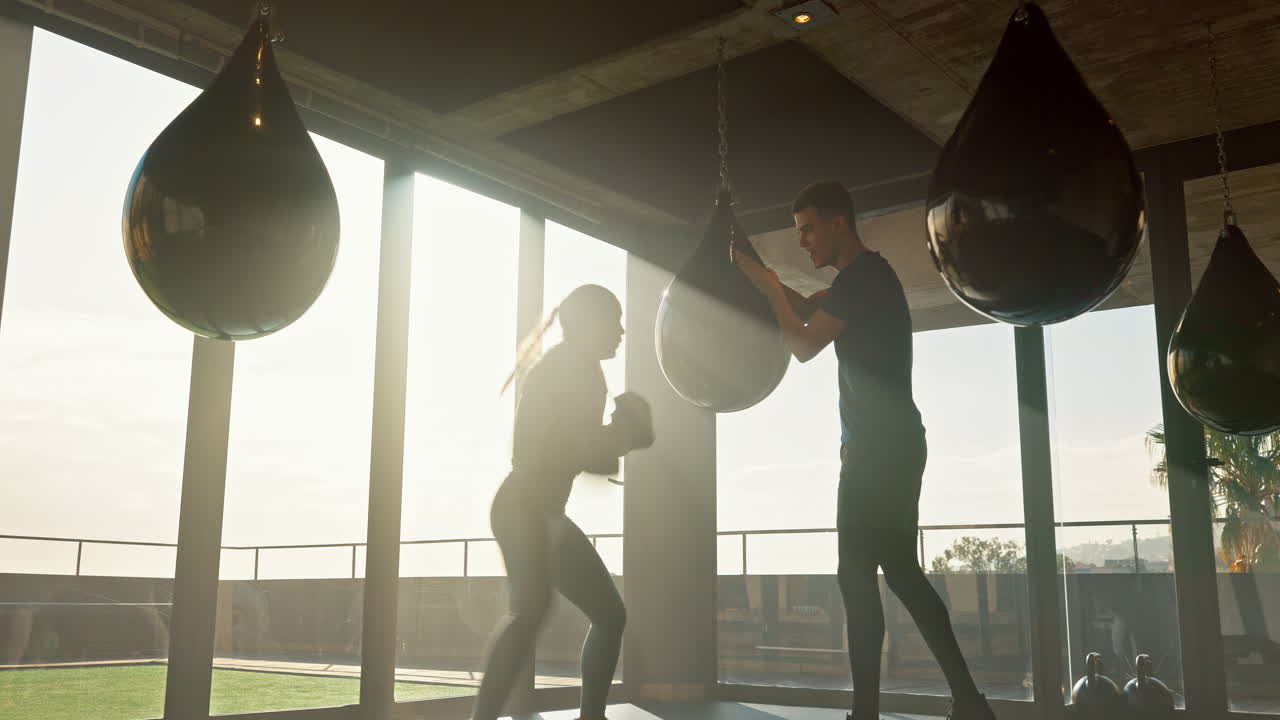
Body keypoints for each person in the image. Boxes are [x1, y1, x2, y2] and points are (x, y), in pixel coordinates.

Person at [733, 182, 997, 720]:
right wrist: (766, 285)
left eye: (807, 228)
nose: (803, 241)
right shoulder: (863, 280)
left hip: (877, 451)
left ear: (838, 224)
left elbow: (804, 345)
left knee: (856, 577)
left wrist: (767, 283)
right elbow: (806, 309)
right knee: (899, 572)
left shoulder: (863, 279)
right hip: (895, 445)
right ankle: (969, 702)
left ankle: (867, 713)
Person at [473, 284, 653, 720]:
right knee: (531, 609)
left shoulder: (583, 370)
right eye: (615, 321)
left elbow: (582, 453)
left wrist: (619, 438)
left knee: (609, 613)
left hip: (543, 511)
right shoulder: (569, 369)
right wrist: (623, 435)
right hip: (525, 508)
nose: (622, 331)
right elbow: (558, 451)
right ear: (590, 324)